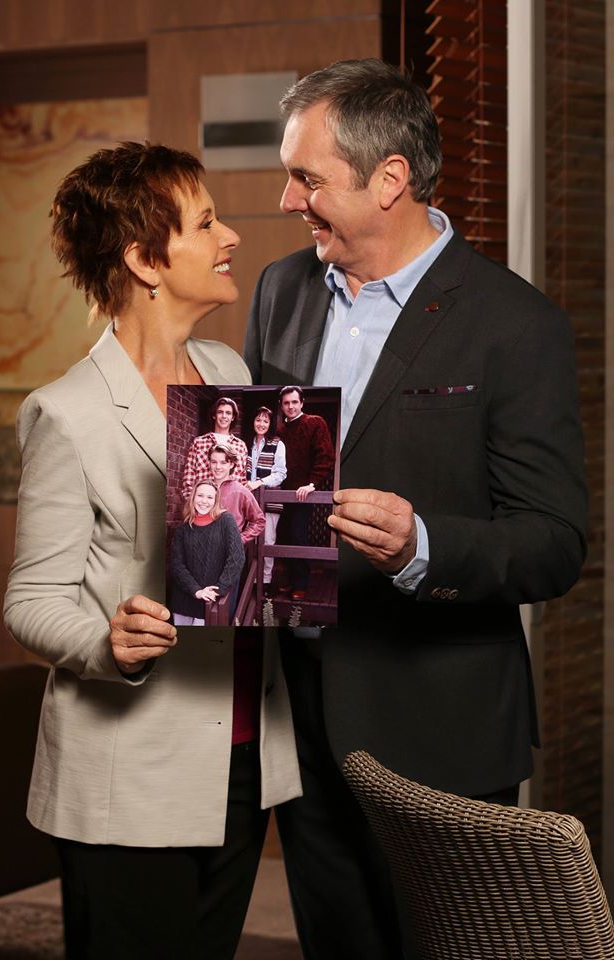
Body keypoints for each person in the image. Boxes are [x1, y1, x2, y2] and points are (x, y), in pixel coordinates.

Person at [244, 59, 587, 960]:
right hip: (301, 719)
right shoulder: (279, 290)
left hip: (442, 730)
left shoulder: (517, 325)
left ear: (388, 178)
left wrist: (421, 545)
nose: (287, 200)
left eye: (307, 178)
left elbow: (553, 543)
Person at [3, 141, 300, 960]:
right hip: (126, 773)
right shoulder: (66, 412)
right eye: (205, 223)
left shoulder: (226, 370)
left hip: (242, 757)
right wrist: (108, 644)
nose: (229, 236)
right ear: (143, 259)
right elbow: (30, 602)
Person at [277, 385, 335, 600]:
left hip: (303, 493)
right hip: (281, 493)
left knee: (297, 535)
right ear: (281, 406)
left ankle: (301, 584)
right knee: (284, 537)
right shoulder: (280, 430)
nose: (291, 406)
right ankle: (291, 580)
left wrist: (312, 484)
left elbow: (326, 457)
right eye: (286, 403)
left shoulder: (315, 423)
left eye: (294, 402)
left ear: (302, 403)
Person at [170, 481, 244, 626]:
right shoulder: (183, 529)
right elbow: (176, 565)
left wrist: (218, 589)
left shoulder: (226, 521)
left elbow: (237, 558)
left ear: (216, 500)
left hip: (209, 602)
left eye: (210, 497)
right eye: (200, 496)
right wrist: (196, 590)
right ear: (193, 497)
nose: (204, 501)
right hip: (182, 600)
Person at [245, 405, 287, 589]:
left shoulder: (278, 444)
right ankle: (251, 581)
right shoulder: (246, 444)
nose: (261, 424)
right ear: (253, 421)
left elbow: (281, 473)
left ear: (270, 424)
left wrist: (259, 482)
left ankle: (266, 581)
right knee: (250, 540)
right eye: (258, 419)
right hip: (248, 500)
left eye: (265, 421)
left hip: (269, 499)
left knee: (267, 540)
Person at [182, 395, 248, 499]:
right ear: (214, 415)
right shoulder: (199, 443)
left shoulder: (240, 446)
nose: (224, 416)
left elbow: (241, 480)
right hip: (203, 503)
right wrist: (192, 503)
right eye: (220, 412)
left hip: (230, 502)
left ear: (233, 417)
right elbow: (188, 478)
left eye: (228, 413)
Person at [209, 443, 266, 546]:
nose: (218, 467)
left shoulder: (241, 491)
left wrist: (240, 539)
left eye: (223, 462)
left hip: (228, 549)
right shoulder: (203, 488)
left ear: (231, 464)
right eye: (214, 462)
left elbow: (259, 521)